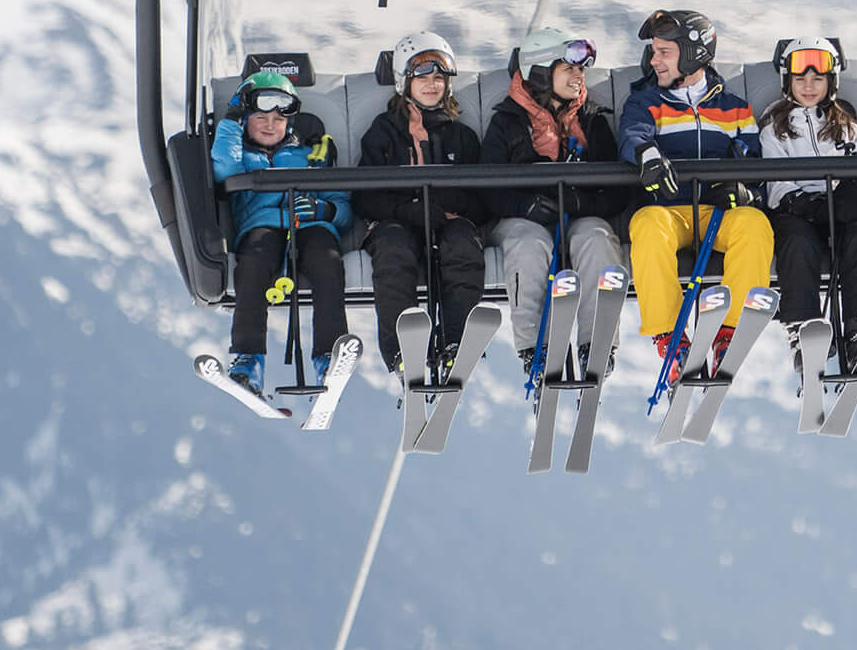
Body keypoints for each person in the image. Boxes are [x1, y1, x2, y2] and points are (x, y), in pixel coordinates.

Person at [616, 8, 773, 384]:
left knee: (753, 224)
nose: (654, 60)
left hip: (718, 213)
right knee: (648, 225)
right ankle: (670, 337)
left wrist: (743, 190)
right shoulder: (646, 100)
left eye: (664, 52)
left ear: (693, 54)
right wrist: (648, 157)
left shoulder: (733, 107)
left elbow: (752, 156)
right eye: (654, 52)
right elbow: (633, 134)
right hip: (670, 211)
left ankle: (728, 333)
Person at [481, 28, 628, 380]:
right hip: (521, 216)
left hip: (578, 216)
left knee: (595, 238)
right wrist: (525, 204)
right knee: (529, 243)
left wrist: (581, 200)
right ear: (541, 71)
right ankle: (535, 348)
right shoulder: (508, 121)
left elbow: (618, 188)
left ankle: (598, 342)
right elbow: (486, 186)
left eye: (581, 71)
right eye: (570, 69)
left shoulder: (591, 121)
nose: (579, 77)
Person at [210, 65, 354, 399]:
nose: (271, 126)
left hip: (311, 225)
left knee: (327, 262)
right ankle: (249, 358)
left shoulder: (310, 154)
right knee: (254, 265)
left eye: (279, 119)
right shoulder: (242, 156)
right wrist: (231, 117)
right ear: (246, 120)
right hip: (263, 227)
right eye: (261, 119)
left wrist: (325, 211)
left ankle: (327, 356)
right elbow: (223, 169)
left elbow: (343, 205)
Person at [354, 30, 487, 379]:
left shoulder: (461, 136)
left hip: (447, 223)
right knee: (393, 249)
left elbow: (485, 197)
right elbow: (365, 195)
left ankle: (457, 343)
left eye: (439, 78)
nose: (432, 85)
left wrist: (448, 204)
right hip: (398, 224)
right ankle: (403, 350)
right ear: (404, 83)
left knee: (462, 242)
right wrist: (406, 209)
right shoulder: (384, 133)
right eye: (423, 78)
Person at [756, 37, 857, 379]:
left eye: (817, 80)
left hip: (841, 210)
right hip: (799, 213)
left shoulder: (845, 125)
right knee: (796, 242)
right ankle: (804, 328)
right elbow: (774, 181)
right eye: (801, 80)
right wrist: (806, 204)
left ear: (831, 82)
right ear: (788, 83)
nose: (809, 87)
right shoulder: (775, 127)